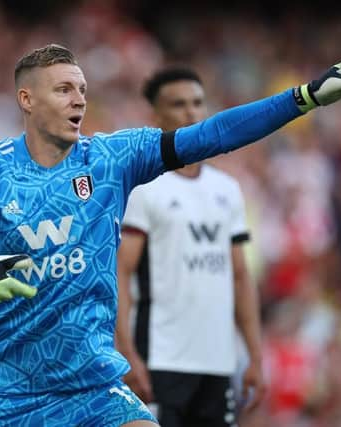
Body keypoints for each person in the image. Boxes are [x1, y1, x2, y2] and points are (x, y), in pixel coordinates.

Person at [0, 44, 341, 426]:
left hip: (92, 388)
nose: (79, 98)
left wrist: (307, 96)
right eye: (63, 89)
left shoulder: (111, 159)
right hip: (1, 391)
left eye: (81, 88)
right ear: (27, 99)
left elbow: (213, 135)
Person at [114, 67, 265, 427]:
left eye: (197, 103)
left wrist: (255, 357)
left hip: (216, 360)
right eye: (178, 104)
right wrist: (128, 353)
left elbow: (240, 277)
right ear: (156, 115)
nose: (191, 113)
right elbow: (121, 271)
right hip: (160, 359)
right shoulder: (145, 188)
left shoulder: (226, 189)